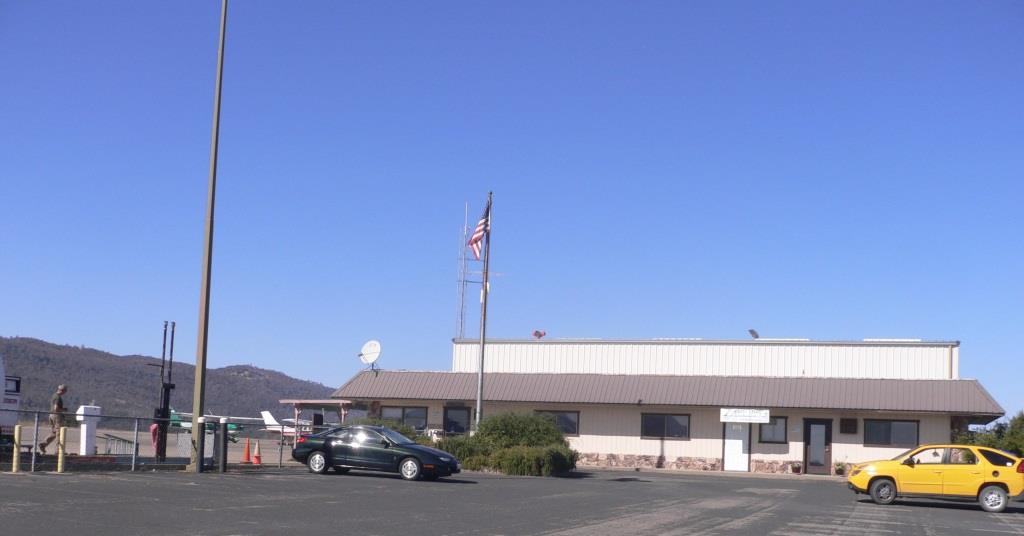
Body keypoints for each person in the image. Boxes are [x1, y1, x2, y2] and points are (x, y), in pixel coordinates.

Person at [38, 384, 68, 454]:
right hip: (56, 416)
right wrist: (63, 409)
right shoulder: (58, 397)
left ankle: (43, 444)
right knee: (59, 433)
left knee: (54, 432)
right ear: (62, 390)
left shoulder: (54, 395)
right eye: (65, 391)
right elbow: (56, 408)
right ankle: (58, 450)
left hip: (51, 415)